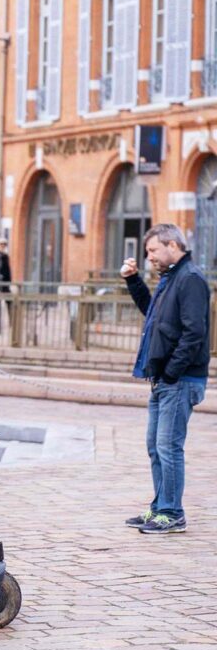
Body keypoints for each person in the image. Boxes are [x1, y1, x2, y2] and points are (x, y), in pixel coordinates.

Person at [121, 224, 210, 535]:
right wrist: (133, 281)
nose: (150, 258)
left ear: (173, 245)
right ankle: (160, 507)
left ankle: (172, 512)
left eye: (153, 251)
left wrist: (172, 371)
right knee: (155, 446)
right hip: (163, 378)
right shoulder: (171, 278)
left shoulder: (191, 279)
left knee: (168, 446)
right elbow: (154, 315)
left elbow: (194, 333)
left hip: (180, 379)